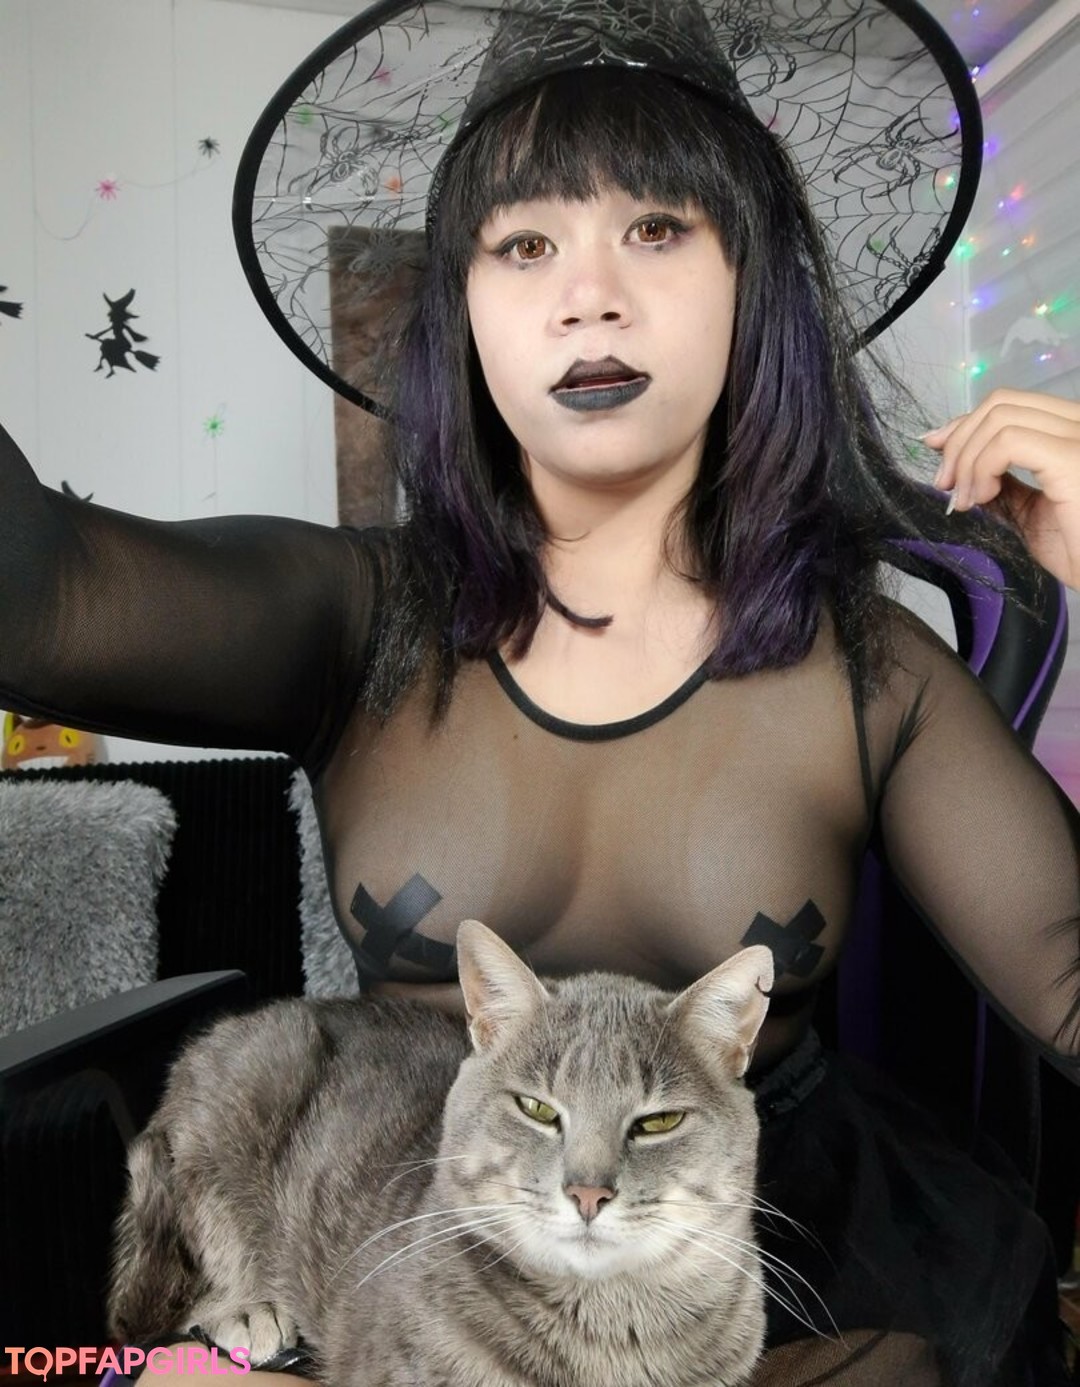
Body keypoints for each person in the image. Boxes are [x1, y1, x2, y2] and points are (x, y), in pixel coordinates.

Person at [2, 0, 1079, 1382]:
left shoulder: (871, 667)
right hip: (427, 1263)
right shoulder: (358, 619)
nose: (590, 296)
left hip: (766, 1272)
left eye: (657, 229)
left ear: (750, 282)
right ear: (463, 308)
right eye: (525, 245)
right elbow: (38, 596)